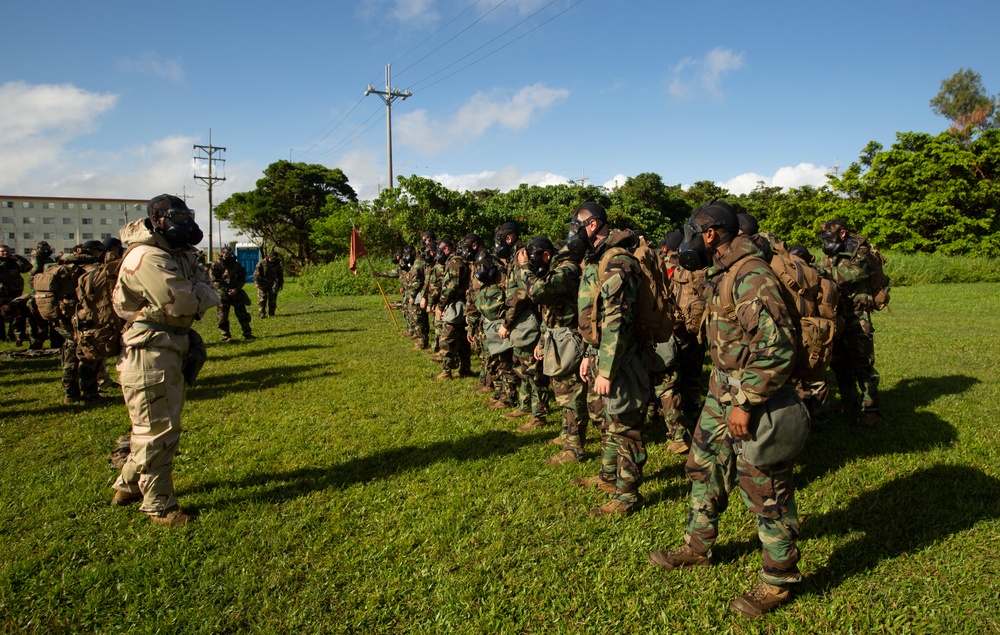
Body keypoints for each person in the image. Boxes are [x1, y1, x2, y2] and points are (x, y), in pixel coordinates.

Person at [647, 201, 803, 618]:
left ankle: (779, 578)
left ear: (711, 234)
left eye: (693, 232)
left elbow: (778, 347)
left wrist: (747, 404)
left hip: (752, 398)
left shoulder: (751, 276)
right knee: (703, 466)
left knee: (765, 489)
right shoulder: (723, 273)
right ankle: (698, 545)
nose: (688, 240)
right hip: (721, 393)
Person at [110, 194, 220, 527]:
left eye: (188, 216)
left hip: (170, 343)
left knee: (157, 424)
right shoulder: (147, 256)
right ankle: (158, 504)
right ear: (157, 219)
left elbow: (203, 287)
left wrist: (199, 287)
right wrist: (199, 289)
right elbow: (185, 301)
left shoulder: (176, 253)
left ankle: (127, 486)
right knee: (157, 430)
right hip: (150, 349)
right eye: (178, 216)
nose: (185, 223)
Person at [566, 202, 649, 517]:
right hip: (603, 354)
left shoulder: (618, 263)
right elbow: (595, 318)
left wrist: (608, 371)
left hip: (622, 359)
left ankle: (627, 496)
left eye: (577, 225)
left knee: (626, 425)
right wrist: (590, 355)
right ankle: (607, 476)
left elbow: (617, 322)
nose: (573, 232)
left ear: (592, 225)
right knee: (607, 421)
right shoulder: (597, 259)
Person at [520, 236, 588, 463]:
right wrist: (542, 339)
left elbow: (537, 292)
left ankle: (574, 447)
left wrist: (523, 270)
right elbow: (547, 311)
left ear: (547, 255)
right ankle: (565, 434)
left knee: (571, 395)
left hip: (568, 339)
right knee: (562, 392)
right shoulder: (558, 270)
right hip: (555, 337)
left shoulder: (567, 271)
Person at [818, 219, 882, 428]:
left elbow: (856, 272)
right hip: (838, 313)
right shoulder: (831, 254)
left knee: (862, 361)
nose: (827, 243)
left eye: (831, 238)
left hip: (857, 314)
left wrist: (824, 274)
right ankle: (849, 403)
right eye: (824, 239)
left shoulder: (861, 251)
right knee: (839, 361)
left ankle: (871, 409)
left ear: (843, 234)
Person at [432, 239, 472, 380]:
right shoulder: (462, 261)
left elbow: (451, 287)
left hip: (456, 305)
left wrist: (441, 305)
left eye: (441, 249)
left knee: (447, 338)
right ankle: (465, 368)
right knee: (462, 339)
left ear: (448, 248)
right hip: (462, 304)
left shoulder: (455, 262)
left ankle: (446, 371)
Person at [210, 246, 254, 342]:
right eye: (227, 253)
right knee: (222, 316)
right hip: (222, 294)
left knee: (242, 314)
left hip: (236, 294)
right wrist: (226, 289)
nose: (229, 256)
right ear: (222, 254)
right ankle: (225, 336)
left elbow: (242, 278)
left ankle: (247, 333)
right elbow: (214, 281)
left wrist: (236, 289)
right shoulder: (216, 265)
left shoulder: (236, 265)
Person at [0, 244, 32, 343]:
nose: (5, 253)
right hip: (0, 292)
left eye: (7, 251)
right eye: (2, 251)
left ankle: (14, 334)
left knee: (15, 314)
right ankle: (1, 335)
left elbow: (28, 268)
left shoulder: (15, 262)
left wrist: (18, 258)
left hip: (14, 291)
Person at [253, 251, 284, 319]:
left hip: (272, 283)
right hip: (262, 283)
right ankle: (262, 313)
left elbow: (280, 274)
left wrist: (281, 283)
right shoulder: (261, 263)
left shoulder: (277, 264)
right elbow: (256, 274)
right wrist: (257, 283)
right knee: (262, 299)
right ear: (269, 257)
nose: (273, 259)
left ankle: (271, 313)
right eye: (272, 257)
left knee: (272, 299)